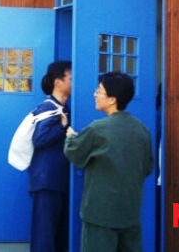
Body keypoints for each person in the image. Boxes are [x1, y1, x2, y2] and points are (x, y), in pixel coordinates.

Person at [64, 72, 153, 252]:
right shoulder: (142, 130)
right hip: (130, 212)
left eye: (99, 90)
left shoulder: (98, 129)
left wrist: (70, 136)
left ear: (112, 99)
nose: (95, 94)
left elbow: (74, 152)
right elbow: (147, 167)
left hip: (100, 213)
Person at [28, 61, 72, 252]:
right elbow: (40, 139)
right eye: (71, 78)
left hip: (56, 180)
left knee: (57, 235)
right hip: (47, 181)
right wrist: (62, 126)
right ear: (57, 82)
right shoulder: (48, 108)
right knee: (44, 237)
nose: (74, 82)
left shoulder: (63, 107)